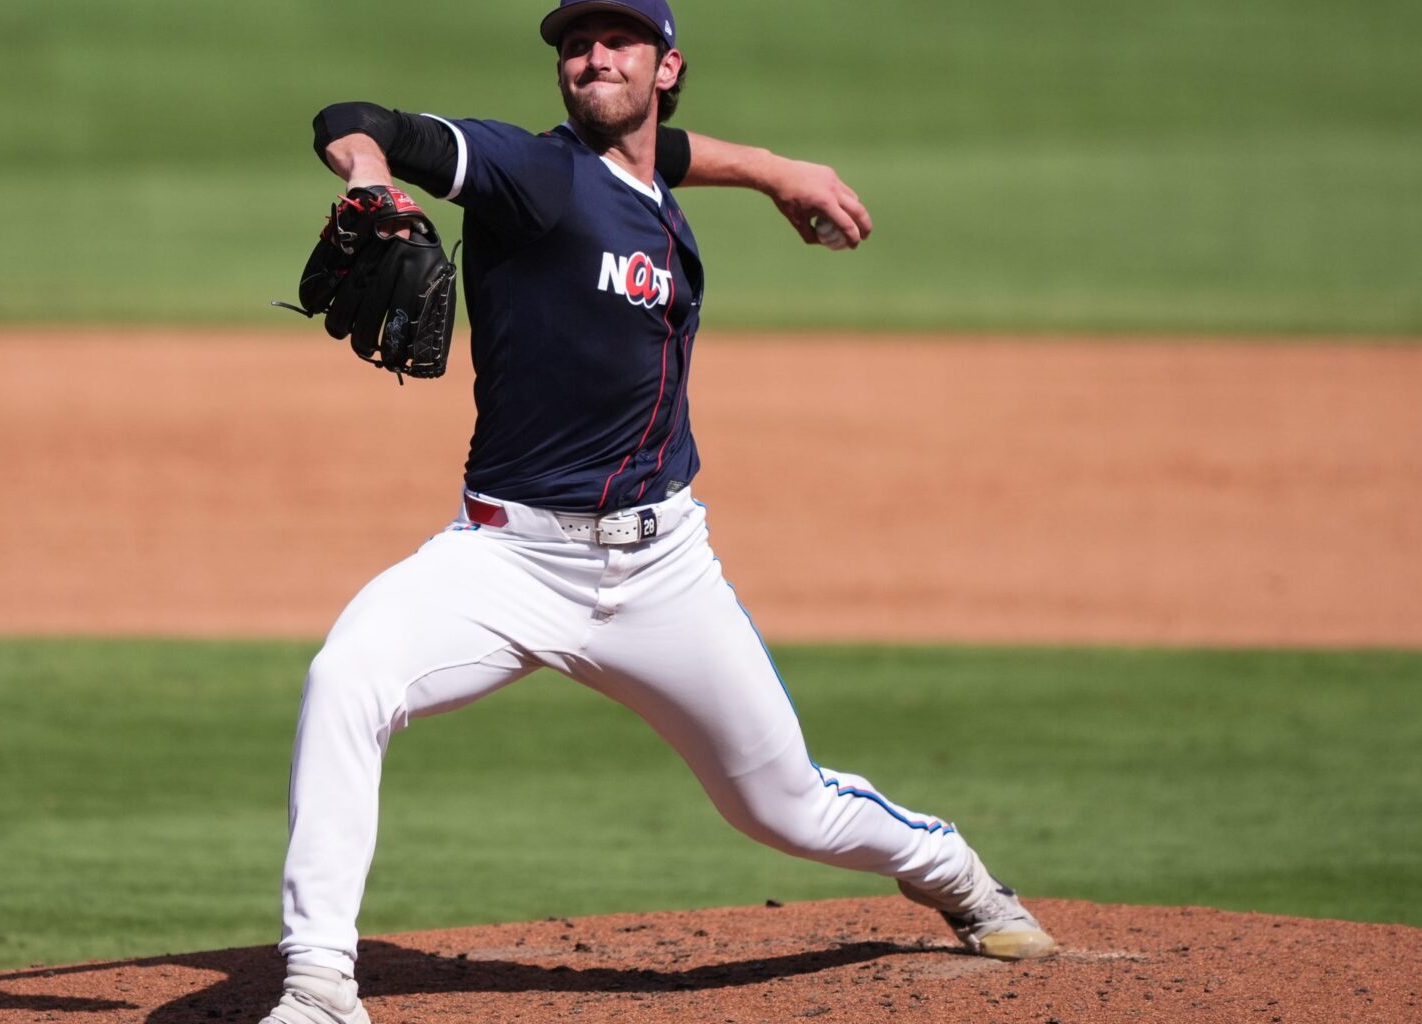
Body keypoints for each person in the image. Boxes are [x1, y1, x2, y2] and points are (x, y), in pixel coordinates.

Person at [260, 3, 1055, 1021]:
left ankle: (948, 868)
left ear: (665, 66)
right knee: (346, 680)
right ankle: (319, 982)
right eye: (575, 44)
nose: (593, 56)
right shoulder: (532, 173)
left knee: (784, 806)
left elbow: (663, 153)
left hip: (662, 570)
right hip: (507, 563)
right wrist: (371, 174)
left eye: (617, 41)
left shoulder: (646, 174)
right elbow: (355, 113)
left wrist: (777, 168)